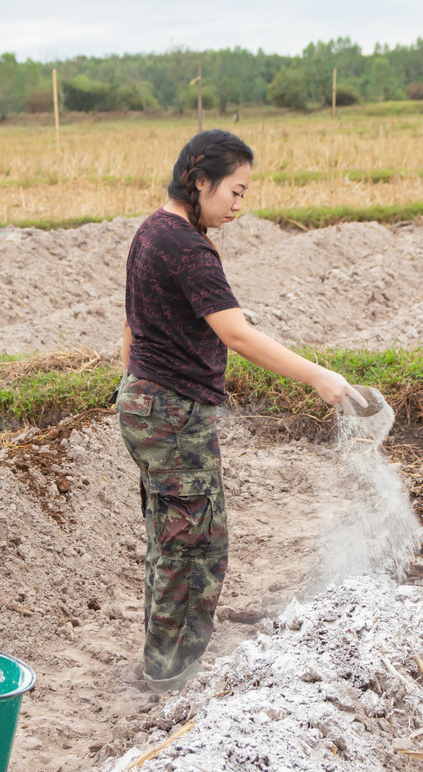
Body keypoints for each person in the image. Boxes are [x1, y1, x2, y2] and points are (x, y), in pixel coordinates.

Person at [117, 128, 366, 692]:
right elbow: (238, 337)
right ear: (199, 181)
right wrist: (319, 376)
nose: (238, 205)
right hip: (172, 414)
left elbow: (136, 322)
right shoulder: (189, 248)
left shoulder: (152, 231)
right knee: (197, 547)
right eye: (234, 191)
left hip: (146, 402)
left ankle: (163, 662)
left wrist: (131, 387)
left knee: (171, 535)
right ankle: (172, 673)